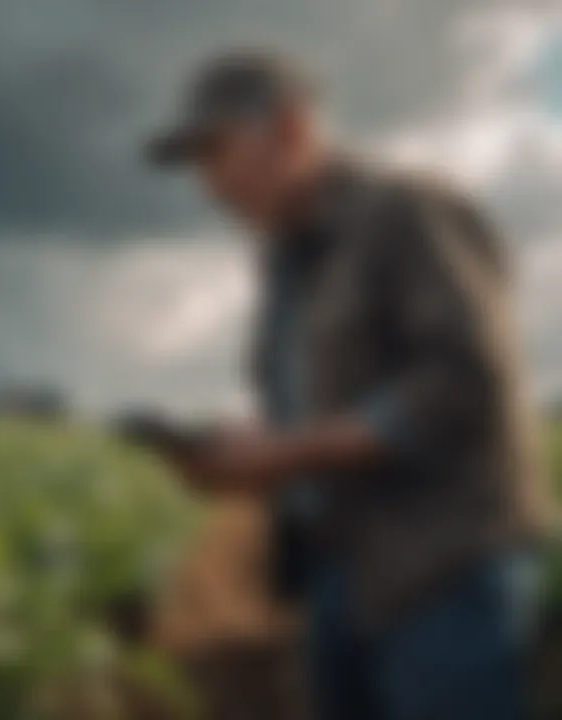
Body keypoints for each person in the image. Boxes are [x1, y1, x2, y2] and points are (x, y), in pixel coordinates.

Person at [144, 50, 548, 720]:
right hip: (341, 577)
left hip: (442, 573)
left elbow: (464, 383)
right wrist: (254, 447)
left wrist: (285, 453)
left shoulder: (408, 213)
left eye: (217, 154)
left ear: (293, 128)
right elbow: (323, 407)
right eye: (196, 165)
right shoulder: (285, 258)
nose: (209, 186)